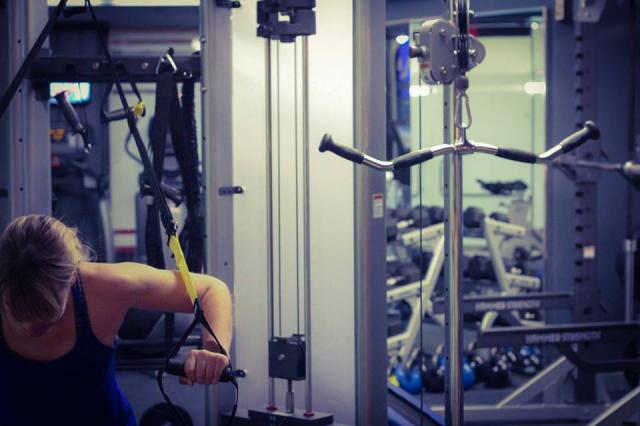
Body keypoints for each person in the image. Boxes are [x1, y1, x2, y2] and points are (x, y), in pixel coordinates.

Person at [0, 214, 232, 426]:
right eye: (17, 310)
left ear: (72, 277)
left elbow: (210, 289)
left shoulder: (103, 287)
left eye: (46, 314)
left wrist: (213, 348)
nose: (30, 328)